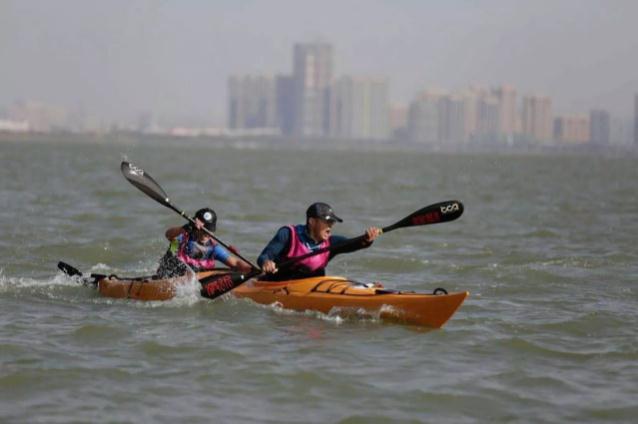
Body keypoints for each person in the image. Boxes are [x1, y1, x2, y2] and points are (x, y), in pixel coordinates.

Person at [257, 202, 381, 281]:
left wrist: (367, 240)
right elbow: (264, 256)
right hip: (277, 285)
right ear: (312, 221)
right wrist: (267, 262)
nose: (330, 226)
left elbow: (353, 244)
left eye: (332, 222)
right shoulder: (288, 234)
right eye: (327, 222)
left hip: (312, 288)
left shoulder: (330, 243)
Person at [157, 207, 252, 278]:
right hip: (170, 274)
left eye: (210, 230)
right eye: (204, 230)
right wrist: (185, 227)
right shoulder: (184, 236)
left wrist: (252, 270)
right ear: (196, 228)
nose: (207, 233)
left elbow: (236, 263)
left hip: (193, 280)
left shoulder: (213, 248)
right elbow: (168, 235)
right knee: (179, 263)